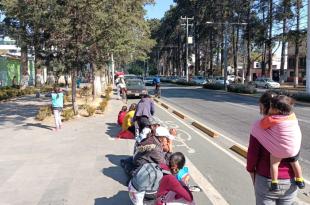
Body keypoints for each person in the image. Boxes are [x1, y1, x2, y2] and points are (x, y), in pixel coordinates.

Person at [247, 91, 299, 204]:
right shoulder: (291, 123)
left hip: (266, 180)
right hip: (290, 180)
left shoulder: (259, 126)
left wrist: (251, 171)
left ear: (262, 106)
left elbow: (252, 156)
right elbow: (294, 149)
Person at [258, 95, 304, 191]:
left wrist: (268, 116)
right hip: (293, 148)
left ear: (276, 110)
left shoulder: (272, 119)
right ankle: (300, 179)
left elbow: (262, 125)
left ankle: (274, 182)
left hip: (279, 149)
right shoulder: (292, 116)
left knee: (274, 164)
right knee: (295, 162)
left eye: (271, 107)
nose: (269, 109)